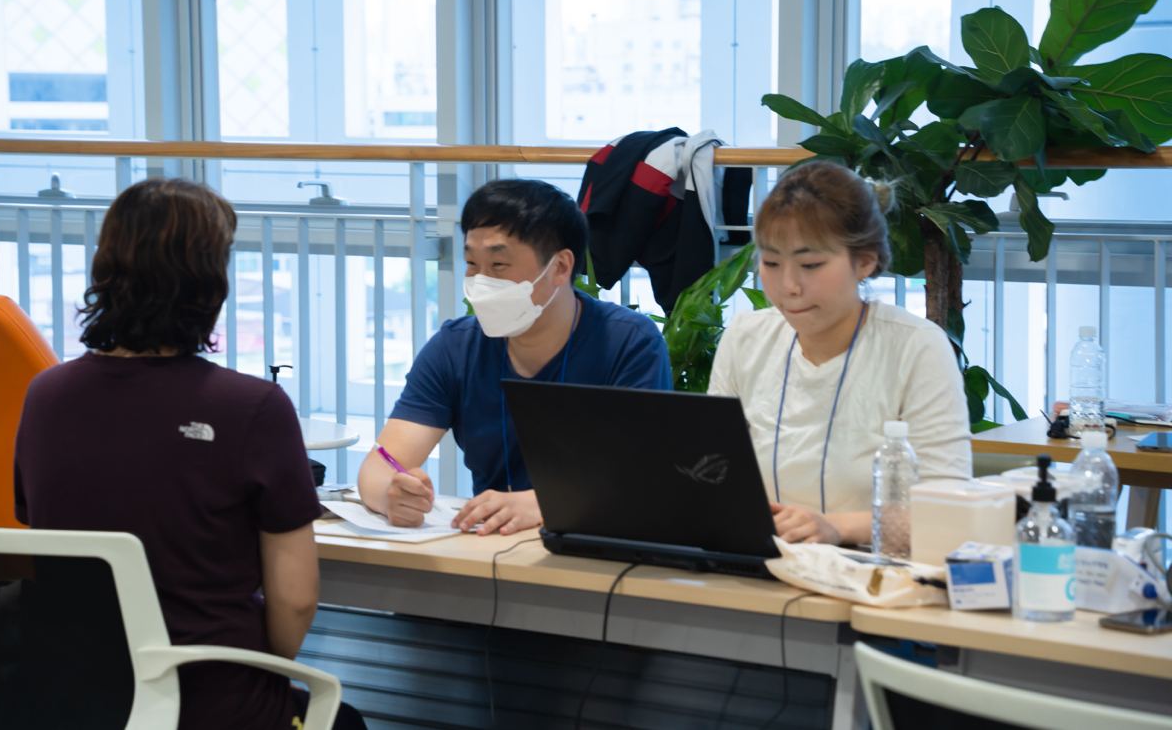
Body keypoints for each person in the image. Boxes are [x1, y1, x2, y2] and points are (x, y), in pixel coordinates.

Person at [13, 178, 364, 730]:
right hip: (213, 704)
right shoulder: (253, 407)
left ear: (106, 271)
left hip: (80, 701)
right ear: (208, 284)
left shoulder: (45, 396)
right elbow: (295, 602)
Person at [358, 178, 672, 535]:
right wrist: (392, 495)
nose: (481, 281)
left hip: (599, 543)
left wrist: (540, 503)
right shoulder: (455, 347)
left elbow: (641, 478)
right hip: (491, 547)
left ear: (560, 267)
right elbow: (380, 465)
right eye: (472, 264)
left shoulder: (628, 342)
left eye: (499, 266)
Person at [708, 161, 971, 546]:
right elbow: (713, 473)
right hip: (757, 567)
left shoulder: (915, 347)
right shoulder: (746, 338)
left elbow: (949, 507)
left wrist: (836, 528)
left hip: (873, 574)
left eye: (810, 264)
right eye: (771, 263)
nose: (789, 286)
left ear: (864, 261)